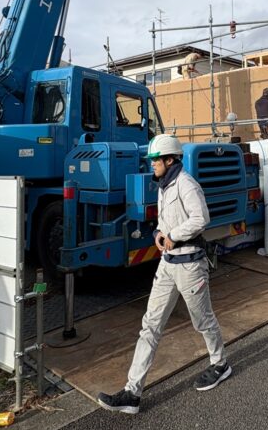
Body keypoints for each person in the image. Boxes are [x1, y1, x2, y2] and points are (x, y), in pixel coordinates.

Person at [96, 134, 231, 414]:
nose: (151, 164)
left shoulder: (186, 184)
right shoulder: (163, 185)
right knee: (150, 325)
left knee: (202, 320)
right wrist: (159, 233)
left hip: (190, 265)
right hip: (167, 264)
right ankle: (132, 392)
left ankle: (220, 364)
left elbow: (201, 218)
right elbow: (164, 220)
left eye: (155, 160)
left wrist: (173, 235)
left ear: (170, 160)